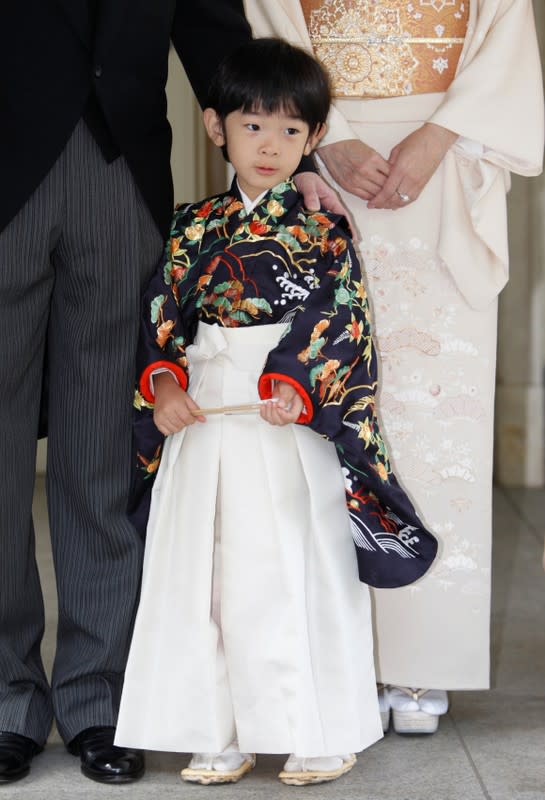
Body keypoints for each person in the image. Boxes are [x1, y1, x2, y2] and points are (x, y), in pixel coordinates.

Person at [114, 38, 437, 786]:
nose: (270, 144)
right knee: (209, 574)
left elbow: (338, 315)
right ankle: (215, 726)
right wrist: (163, 385)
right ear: (214, 125)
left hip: (284, 418)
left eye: (291, 130)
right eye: (252, 125)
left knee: (294, 567)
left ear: (315, 139)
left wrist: (297, 380)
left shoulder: (321, 229)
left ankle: (317, 728)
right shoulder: (191, 225)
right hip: (204, 414)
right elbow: (161, 315)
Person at [242, 0, 544, 734]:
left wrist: (438, 135)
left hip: (441, 148)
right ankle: (329, 651)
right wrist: (325, 137)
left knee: (437, 412)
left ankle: (423, 659)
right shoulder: (318, 141)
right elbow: (267, 23)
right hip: (319, 155)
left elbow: (503, 31)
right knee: (325, 397)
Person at [0, 2, 258, 786]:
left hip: (124, 176)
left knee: (105, 451)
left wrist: (296, 156)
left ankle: (99, 699)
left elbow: (216, 37)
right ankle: (7, 700)